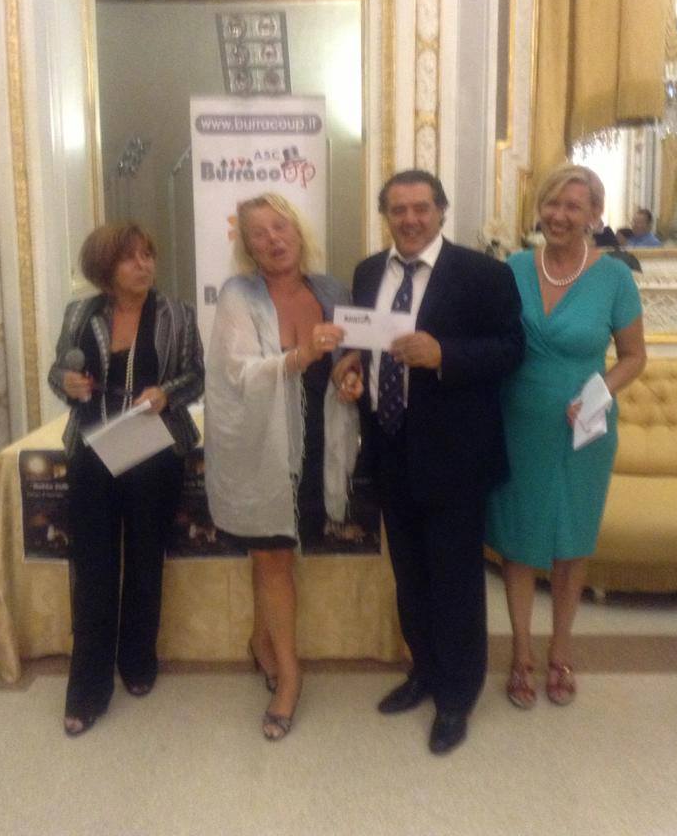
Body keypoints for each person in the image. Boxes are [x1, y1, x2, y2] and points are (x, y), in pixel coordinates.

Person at [333, 169, 525, 754]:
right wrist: (350, 366)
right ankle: (423, 670)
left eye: (421, 208)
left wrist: (444, 354)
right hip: (390, 448)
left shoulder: (484, 273)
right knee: (411, 577)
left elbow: (511, 351)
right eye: (398, 210)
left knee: (456, 583)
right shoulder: (368, 272)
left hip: (455, 457)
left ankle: (457, 696)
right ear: (386, 216)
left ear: (441, 210)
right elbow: (364, 341)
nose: (410, 219)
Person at [486, 164, 646, 710]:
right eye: (551, 204)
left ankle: (561, 653)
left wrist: (600, 390)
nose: (559, 215)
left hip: (585, 430)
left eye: (573, 206)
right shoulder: (512, 268)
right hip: (519, 422)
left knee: (572, 544)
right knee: (519, 544)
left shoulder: (614, 278)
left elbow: (634, 357)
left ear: (595, 215)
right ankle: (521, 656)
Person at [204, 193, 359, 741]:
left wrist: (347, 375)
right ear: (248, 248)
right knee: (271, 554)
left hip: (314, 441)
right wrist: (302, 356)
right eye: (259, 233)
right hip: (259, 447)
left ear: (297, 229)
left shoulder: (331, 290)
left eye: (280, 226)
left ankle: (261, 640)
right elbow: (238, 372)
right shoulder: (238, 294)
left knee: (273, 552)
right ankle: (290, 679)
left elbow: (345, 358)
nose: (273, 239)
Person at [48, 223, 205, 736]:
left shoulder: (178, 314)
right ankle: (87, 689)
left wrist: (166, 393)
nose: (144, 265)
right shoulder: (80, 314)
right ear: (105, 267)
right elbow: (57, 373)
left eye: (148, 255)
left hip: (154, 449)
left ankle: (138, 661)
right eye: (130, 257)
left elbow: (196, 376)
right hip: (93, 450)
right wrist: (68, 383)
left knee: (144, 560)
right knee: (93, 569)